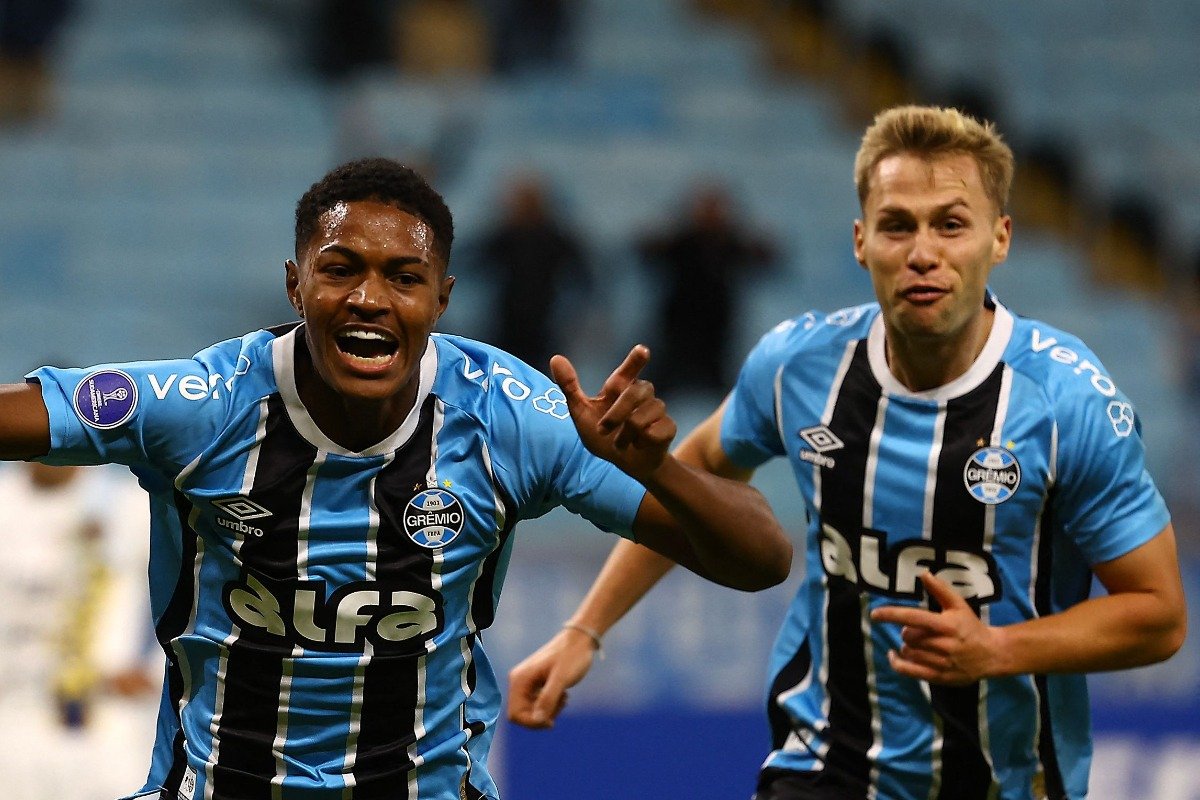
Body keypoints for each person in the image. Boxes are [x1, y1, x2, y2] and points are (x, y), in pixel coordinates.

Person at [0, 157, 792, 800]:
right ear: (295, 285)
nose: (369, 300)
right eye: (340, 270)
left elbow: (760, 558)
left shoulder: (508, 418)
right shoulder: (204, 407)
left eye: (404, 278)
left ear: (442, 298)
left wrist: (657, 469)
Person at [507, 106, 1188, 800]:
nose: (923, 252)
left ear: (1000, 239)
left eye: (951, 224)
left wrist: (998, 650)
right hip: (825, 765)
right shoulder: (799, 364)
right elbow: (695, 478)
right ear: (862, 242)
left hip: (1006, 779)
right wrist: (584, 629)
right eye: (898, 225)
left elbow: (1158, 614)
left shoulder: (1065, 401)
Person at [0, 461, 158, 800]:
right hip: (13, 712)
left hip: (107, 717)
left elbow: (192, 589)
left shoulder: (128, 503)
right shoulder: (4, 499)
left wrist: (156, 670)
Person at [635, 183, 777, 397]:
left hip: (716, 337)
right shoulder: (681, 242)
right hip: (677, 333)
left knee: (732, 400)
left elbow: (767, 259)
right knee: (650, 389)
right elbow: (646, 251)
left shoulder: (731, 245)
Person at [473, 174, 592, 371]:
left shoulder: (518, 236)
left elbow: (471, 263)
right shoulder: (512, 236)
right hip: (518, 323)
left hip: (533, 325)